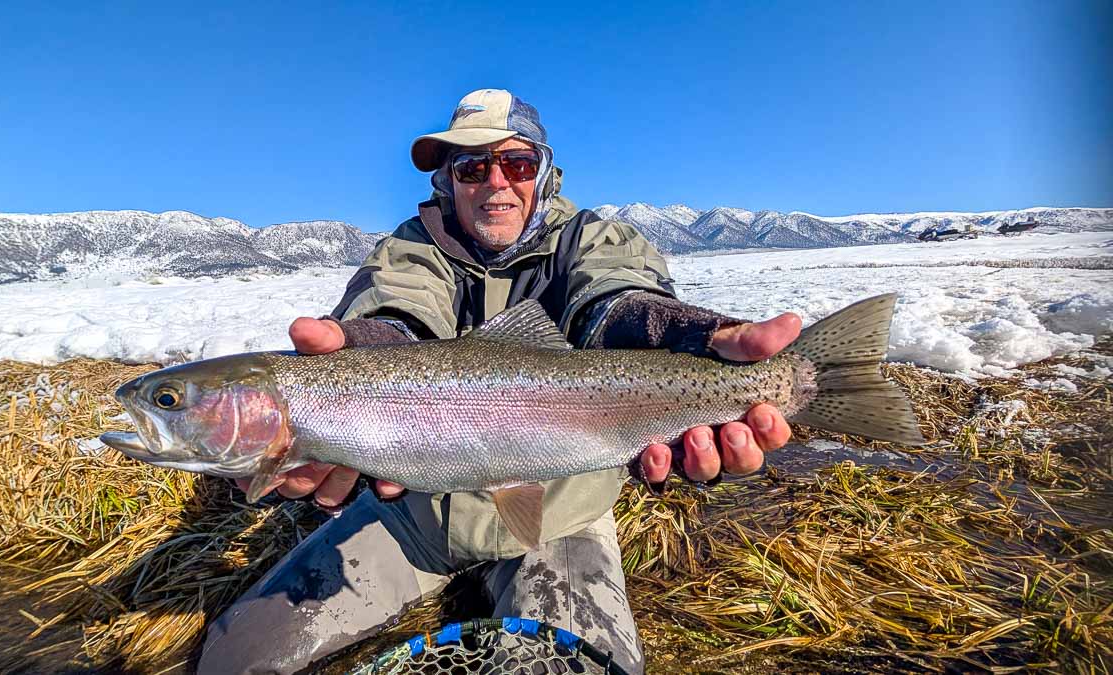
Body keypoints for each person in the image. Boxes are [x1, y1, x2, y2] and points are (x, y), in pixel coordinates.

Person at [199, 89, 800, 674]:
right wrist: (366, 349)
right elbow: (395, 317)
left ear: (545, 173)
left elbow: (613, 297)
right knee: (232, 658)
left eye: (516, 163)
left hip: (559, 514)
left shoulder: (592, 239)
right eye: (472, 166)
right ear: (447, 179)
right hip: (416, 513)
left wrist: (670, 330)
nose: (495, 182)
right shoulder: (410, 249)